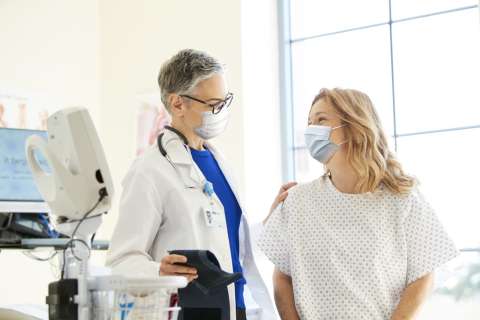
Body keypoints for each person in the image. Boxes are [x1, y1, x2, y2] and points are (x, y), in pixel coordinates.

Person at [259, 88, 458, 320]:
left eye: (321, 120)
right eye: (309, 122)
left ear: (354, 126)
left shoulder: (404, 199)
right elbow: (282, 276)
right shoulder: (297, 201)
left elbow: (423, 276)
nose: (311, 130)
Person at [106, 49, 275, 320]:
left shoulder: (219, 162)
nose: (221, 112)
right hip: (190, 311)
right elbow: (121, 262)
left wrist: (269, 221)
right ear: (178, 104)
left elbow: (227, 242)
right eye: (212, 104)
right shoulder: (150, 171)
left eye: (225, 101)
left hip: (236, 308)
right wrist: (158, 270)